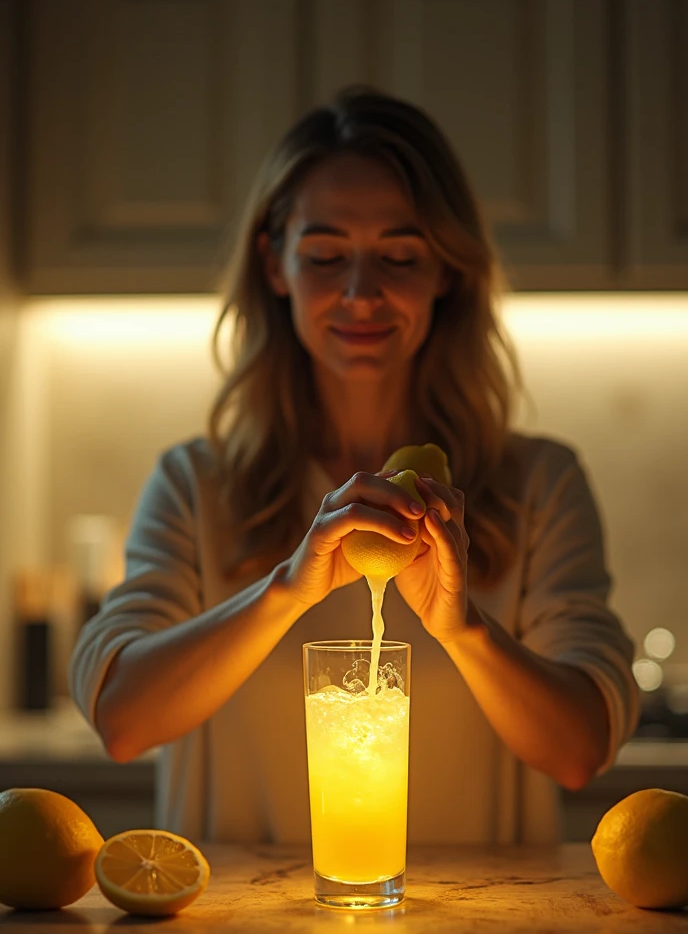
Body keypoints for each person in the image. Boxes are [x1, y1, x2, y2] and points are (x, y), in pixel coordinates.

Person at [69, 86, 639, 846]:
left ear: (448, 271)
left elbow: (579, 751)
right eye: (327, 255)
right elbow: (123, 721)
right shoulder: (194, 485)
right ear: (276, 266)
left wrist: (464, 627)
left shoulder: (537, 485)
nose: (360, 293)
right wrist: (286, 591)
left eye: (399, 256)